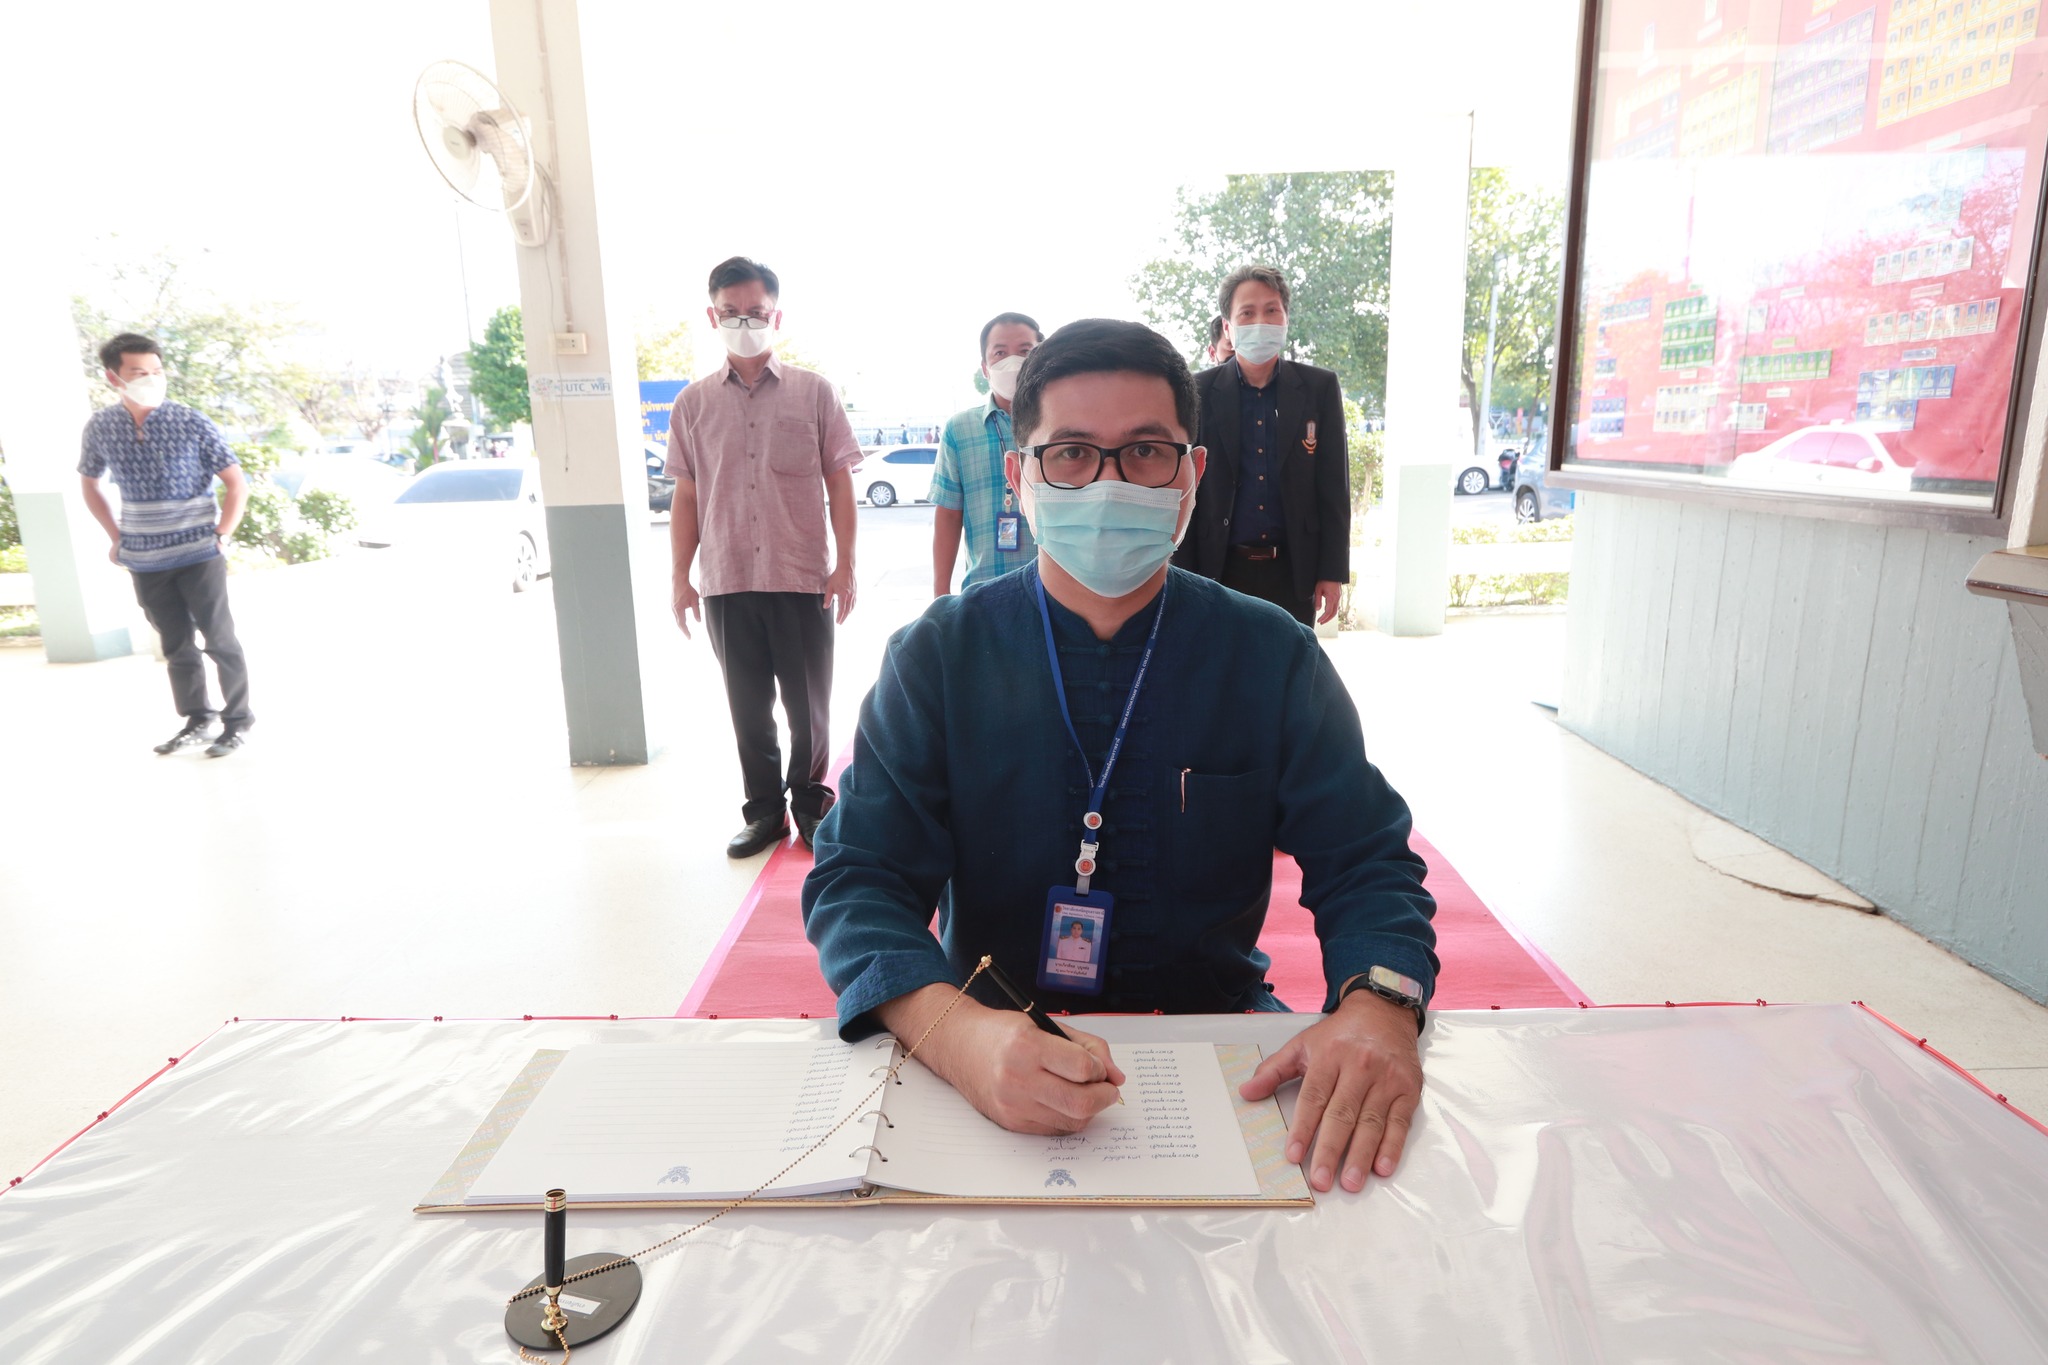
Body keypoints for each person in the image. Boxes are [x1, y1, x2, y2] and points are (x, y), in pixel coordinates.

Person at [805, 319, 1437, 1194]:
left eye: (1146, 452)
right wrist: (952, 1032)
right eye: (1070, 453)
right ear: (1020, 475)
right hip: (985, 1053)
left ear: (1193, 474)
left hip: (1222, 1056)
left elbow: (1366, 858)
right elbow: (858, 878)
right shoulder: (940, 657)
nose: (1108, 482)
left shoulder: (1268, 653)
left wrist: (1381, 1001)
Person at [667, 257, 860, 856]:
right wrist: (680, 576)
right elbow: (686, 495)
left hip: (801, 577)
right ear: (712, 316)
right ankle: (765, 814)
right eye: (731, 312)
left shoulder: (814, 392)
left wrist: (846, 564)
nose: (744, 322)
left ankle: (811, 805)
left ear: (776, 315)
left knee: (809, 709)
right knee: (748, 710)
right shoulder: (692, 404)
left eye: (756, 312)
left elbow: (839, 482)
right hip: (726, 579)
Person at [78, 333, 255, 757]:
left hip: (199, 551)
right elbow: (90, 483)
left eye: (156, 371)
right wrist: (116, 537)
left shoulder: (191, 421)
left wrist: (222, 534)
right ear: (113, 378)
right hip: (145, 558)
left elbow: (236, 483)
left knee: (219, 639)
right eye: (139, 372)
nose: (151, 379)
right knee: (175, 645)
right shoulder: (101, 426)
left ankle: (238, 722)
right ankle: (198, 719)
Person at [1174, 265, 1350, 627]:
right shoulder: (1198, 391)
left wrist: (1332, 571)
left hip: (1294, 571)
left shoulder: (1318, 388)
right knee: (1220, 661)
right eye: (1247, 313)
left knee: (1289, 661)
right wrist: (1182, 574)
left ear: (1286, 319)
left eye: (1271, 310)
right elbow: (1184, 488)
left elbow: (1334, 487)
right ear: (1227, 327)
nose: (1261, 322)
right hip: (1217, 569)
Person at [930, 311, 1042, 594]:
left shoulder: (1064, 424)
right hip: (983, 591)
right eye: (1000, 353)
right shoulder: (960, 429)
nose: (1012, 362)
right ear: (985, 367)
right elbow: (948, 515)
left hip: (1056, 593)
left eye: (1025, 351)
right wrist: (940, 594)